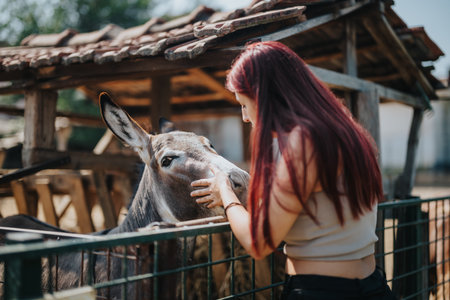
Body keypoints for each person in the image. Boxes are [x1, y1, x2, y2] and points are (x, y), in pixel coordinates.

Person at [190, 41, 396, 299]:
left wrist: (225, 191)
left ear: (265, 96)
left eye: (244, 104)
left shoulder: (302, 143)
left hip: (322, 291)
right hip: (373, 286)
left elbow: (258, 242)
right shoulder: (349, 132)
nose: (244, 117)